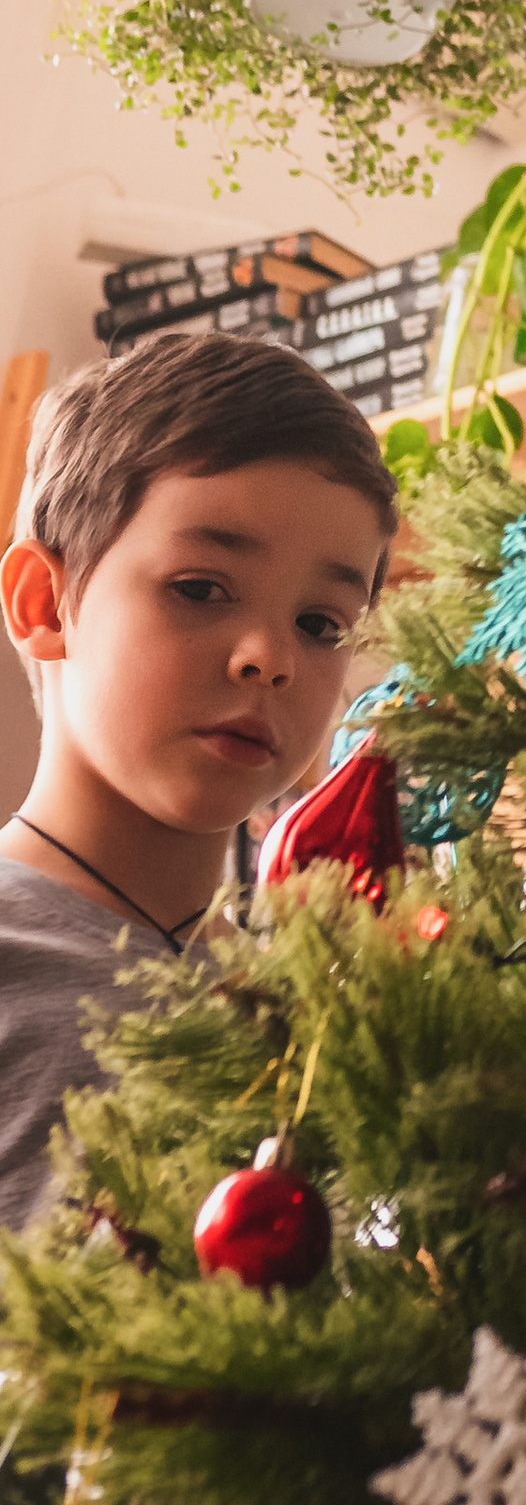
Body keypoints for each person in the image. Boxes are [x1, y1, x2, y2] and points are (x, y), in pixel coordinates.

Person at [0, 327, 397, 1230]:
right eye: (201, 588)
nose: (270, 658)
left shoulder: (321, 1004)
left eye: (320, 623)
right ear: (41, 605)